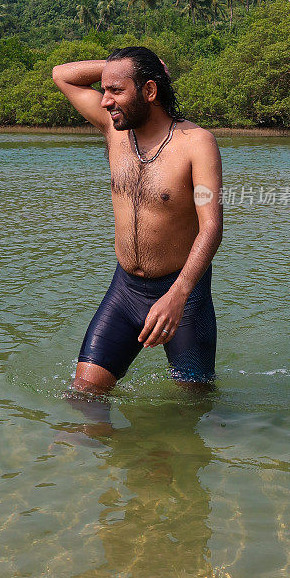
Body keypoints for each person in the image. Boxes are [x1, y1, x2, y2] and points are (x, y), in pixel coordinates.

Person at [52, 46, 223, 394]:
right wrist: (121, 69)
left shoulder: (197, 143)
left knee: (192, 406)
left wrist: (178, 294)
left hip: (183, 296)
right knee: (83, 396)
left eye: (116, 90)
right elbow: (61, 75)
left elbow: (212, 227)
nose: (104, 101)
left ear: (149, 90)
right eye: (104, 89)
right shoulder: (113, 131)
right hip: (125, 291)